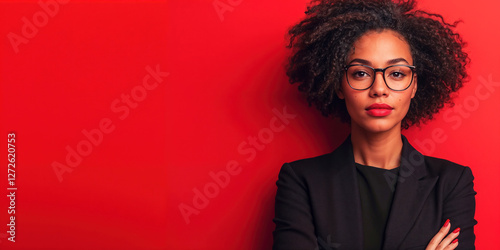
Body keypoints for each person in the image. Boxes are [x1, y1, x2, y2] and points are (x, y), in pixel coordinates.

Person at [272, 0, 477, 249]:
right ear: (338, 84)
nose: (379, 89)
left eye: (397, 73)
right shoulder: (301, 181)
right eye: (361, 73)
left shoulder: (452, 182)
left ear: (414, 86)